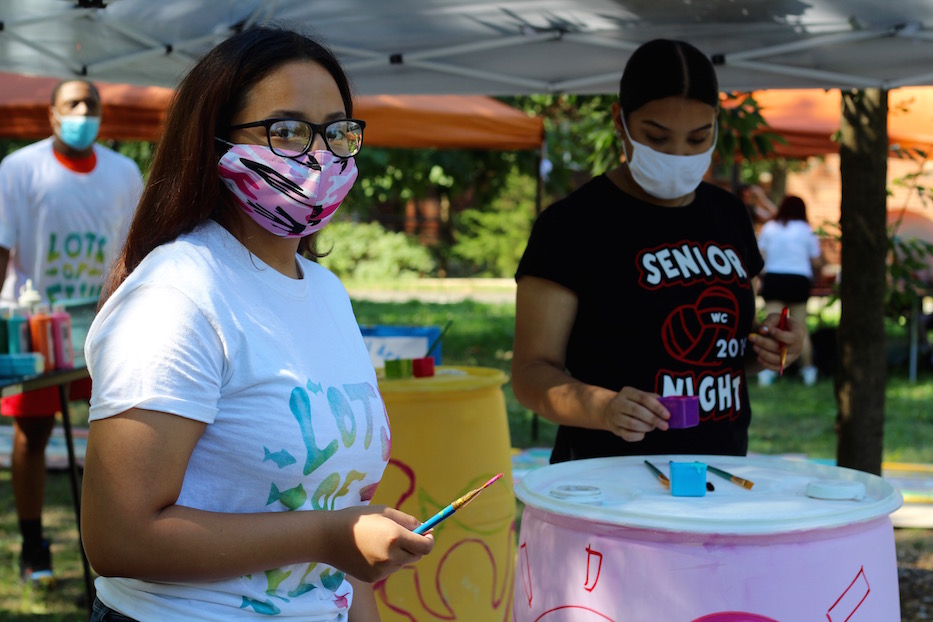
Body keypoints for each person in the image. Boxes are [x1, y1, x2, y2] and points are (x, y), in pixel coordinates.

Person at [80, 26, 434, 621]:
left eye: (337, 132)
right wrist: (327, 536)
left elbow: (342, 524)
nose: (319, 155)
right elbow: (118, 538)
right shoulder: (177, 294)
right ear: (213, 140)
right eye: (288, 130)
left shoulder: (325, 292)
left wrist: (341, 549)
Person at [510, 39, 806, 464]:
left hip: (717, 470)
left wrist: (768, 347)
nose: (678, 155)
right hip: (607, 480)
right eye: (656, 137)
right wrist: (603, 408)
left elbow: (717, 352)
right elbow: (530, 374)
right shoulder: (572, 224)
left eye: (698, 138)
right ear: (620, 122)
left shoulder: (729, 215)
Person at [0, 78, 143, 586]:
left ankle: (112, 542)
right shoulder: (18, 169)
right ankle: (34, 544)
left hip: (106, 325)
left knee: (117, 431)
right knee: (32, 433)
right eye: (72, 104)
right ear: (52, 115)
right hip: (35, 328)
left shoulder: (124, 172)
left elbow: (139, 252)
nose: (83, 111)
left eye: (91, 103)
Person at [756, 195, 824, 386]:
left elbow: (759, 258)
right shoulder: (806, 230)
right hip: (798, 280)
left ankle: (766, 372)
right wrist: (816, 277)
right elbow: (817, 261)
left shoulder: (770, 228)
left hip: (774, 279)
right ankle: (808, 370)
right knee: (800, 327)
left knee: (771, 327)